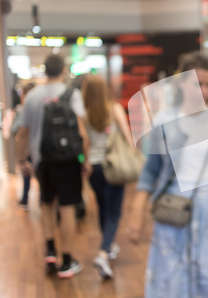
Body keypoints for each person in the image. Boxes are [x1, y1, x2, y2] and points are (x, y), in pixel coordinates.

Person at [127, 52, 208, 298]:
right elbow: (150, 171)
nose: (204, 90)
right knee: (173, 280)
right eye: (198, 83)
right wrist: (136, 210)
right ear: (181, 83)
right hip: (174, 207)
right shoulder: (165, 120)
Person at [16, 54, 90, 278]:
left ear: (44, 71)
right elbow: (82, 133)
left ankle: (50, 251)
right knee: (67, 207)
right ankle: (66, 260)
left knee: (47, 203)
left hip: (42, 159)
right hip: (67, 160)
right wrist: (84, 160)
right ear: (63, 70)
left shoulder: (32, 96)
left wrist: (22, 160)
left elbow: (22, 133)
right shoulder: (72, 94)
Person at [82, 75, 135, 279]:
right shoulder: (114, 109)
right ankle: (103, 253)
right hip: (113, 166)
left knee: (103, 207)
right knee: (114, 212)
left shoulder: (85, 114)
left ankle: (109, 244)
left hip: (94, 169)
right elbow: (127, 136)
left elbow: (84, 142)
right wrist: (132, 153)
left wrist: (85, 162)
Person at [11, 82, 36, 210]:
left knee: (26, 174)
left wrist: (20, 159)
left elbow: (17, 130)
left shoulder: (22, 109)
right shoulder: (41, 107)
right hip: (40, 149)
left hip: (28, 150)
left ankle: (25, 199)